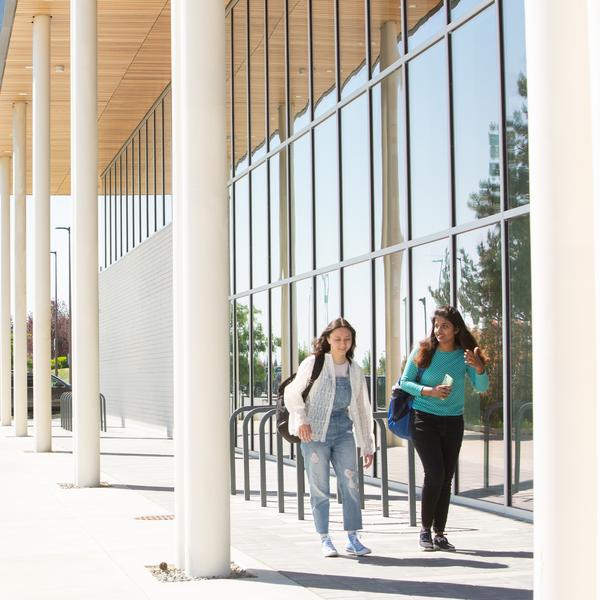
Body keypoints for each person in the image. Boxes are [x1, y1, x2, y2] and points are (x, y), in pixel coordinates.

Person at [397, 305, 489, 552]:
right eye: (436, 325)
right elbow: (404, 382)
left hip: (453, 422)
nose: (439, 330)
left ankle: (439, 533)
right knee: (435, 474)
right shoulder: (423, 350)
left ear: (456, 329)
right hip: (423, 419)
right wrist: (429, 391)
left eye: (445, 325)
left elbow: (481, 387)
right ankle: (424, 530)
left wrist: (479, 367)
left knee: (446, 478)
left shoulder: (464, 356)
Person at [284, 317, 375, 558]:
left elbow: (362, 408)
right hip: (313, 433)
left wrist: (367, 444)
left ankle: (353, 537)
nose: (342, 343)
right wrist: (301, 420)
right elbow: (292, 393)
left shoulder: (355, 370)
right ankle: (324, 538)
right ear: (327, 340)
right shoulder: (314, 363)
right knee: (319, 486)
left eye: (347, 339)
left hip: (343, 432)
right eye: (337, 339)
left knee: (351, 484)